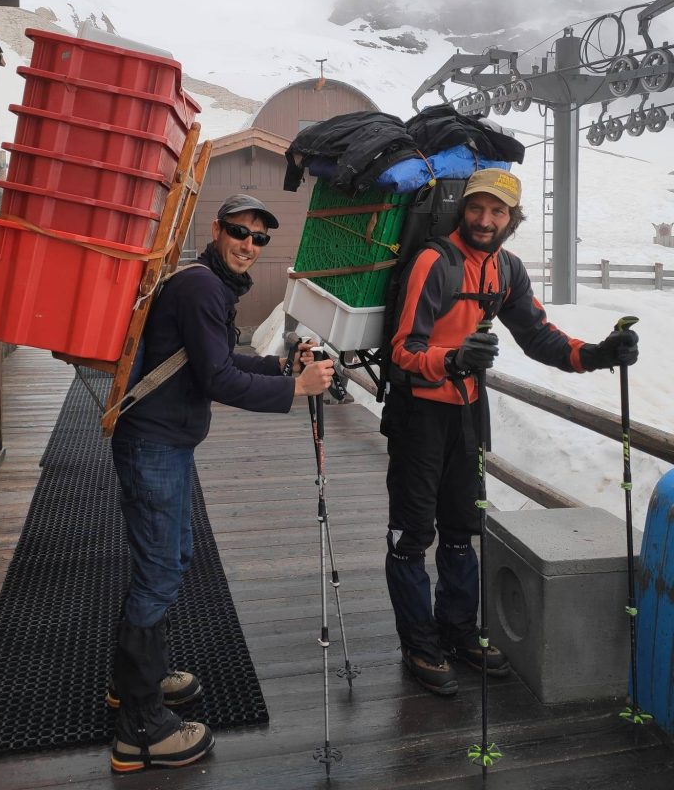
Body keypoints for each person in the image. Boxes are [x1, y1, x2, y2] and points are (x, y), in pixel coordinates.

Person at [382, 168, 639, 696]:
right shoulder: (434, 261)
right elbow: (402, 349)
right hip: (419, 414)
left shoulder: (507, 270)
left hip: (468, 412)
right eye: (477, 208)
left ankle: (456, 630)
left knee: (460, 529)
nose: (484, 219)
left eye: (497, 211)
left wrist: (597, 354)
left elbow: (539, 336)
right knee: (411, 535)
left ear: (511, 220)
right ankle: (419, 645)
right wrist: (453, 358)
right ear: (463, 209)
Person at [108, 194, 334, 772]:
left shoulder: (204, 283)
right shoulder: (203, 287)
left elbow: (213, 359)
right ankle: (141, 728)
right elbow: (216, 379)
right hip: (155, 444)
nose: (248, 245)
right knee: (159, 572)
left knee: (170, 558)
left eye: (258, 238)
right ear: (218, 229)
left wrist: (283, 366)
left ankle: (140, 679)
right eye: (239, 231)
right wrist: (297, 390)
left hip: (162, 442)